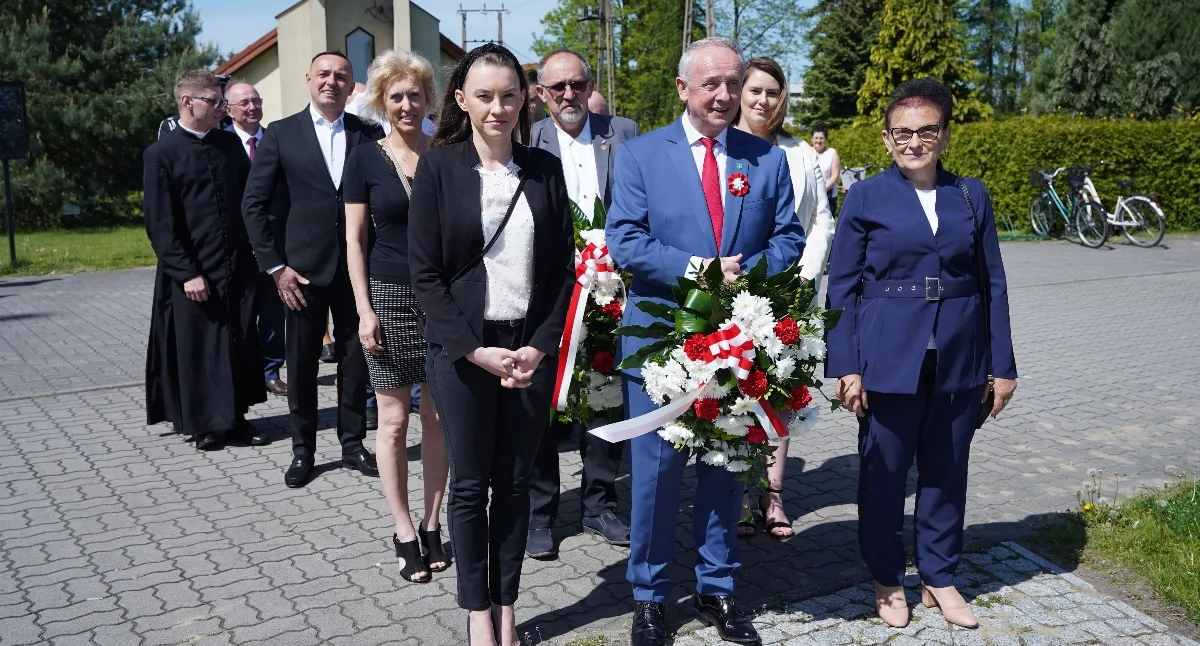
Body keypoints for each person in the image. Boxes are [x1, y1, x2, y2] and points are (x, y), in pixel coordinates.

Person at [606, 38, 804, 646]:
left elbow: (789, 240)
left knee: (726, 470)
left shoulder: (763, 159)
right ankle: (649, 596)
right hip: (662, 342)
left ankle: (719, 588)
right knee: (656, 475)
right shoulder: (640, 154)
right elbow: (626, 241)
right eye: (711, 83)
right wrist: (701, 270)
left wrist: (751, 274)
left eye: (732, 83)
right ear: (683, 88)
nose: (723, 95)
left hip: (739, 345)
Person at [825, 78, 1018, 630]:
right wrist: (845, 364)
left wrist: (1001, 365)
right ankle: (888, 579)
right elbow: (842, 287)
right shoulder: (865, 196)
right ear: (886, 139)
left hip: (960, 353)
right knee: (883, 473)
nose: (914, 142)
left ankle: (939, 576)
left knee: (946, 469)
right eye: (902, 133)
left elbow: (993, 282)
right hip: (889, 356)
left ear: (945, 135)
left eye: (926, 131)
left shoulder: (970, 194)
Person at [408, 43, 574, 646]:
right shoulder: (438, 168)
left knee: (514, 484)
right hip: (463, 351)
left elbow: (562, 270)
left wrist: (538, 345)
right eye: (484, 96)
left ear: (524, 98)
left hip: (527, 349)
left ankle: (507, 601)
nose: (497, 108)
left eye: (508, 95)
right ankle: (477, 610)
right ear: (461, 101)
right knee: (472, 484)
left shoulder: (544, 170)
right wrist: (473, 349)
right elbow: (423, 273)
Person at [241, 51, 386, 488]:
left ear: (350, 85)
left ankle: (353, 443)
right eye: (324, 74)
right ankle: (303, 450)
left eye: (341, 76)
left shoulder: (370, 133)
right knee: (302, 364)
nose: (332, 82)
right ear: (308, 79)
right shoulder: (283, 134)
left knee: (356, 359)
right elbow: (254, 204)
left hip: (357, 269)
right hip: (299, 274)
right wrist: (275, 268)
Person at [526, 48, 639, 559]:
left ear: (589, 84)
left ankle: (600, 504)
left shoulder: (625, 133)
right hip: (546, 293)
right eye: (557, 87)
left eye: (577, 84)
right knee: (543, 402)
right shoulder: (524, 139)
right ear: (541, 93)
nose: (568, 95)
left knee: (603, 392)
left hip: (611, 291)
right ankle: (540, 513)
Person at [343, 49, 450, 584]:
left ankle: (433, 525)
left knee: (437, 418)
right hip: (386, 296)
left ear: (429, 99)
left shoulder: (447, 152)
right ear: (382, 103)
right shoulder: (364, 158)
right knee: (393, 420)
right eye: (396, 96)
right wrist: (363, 309)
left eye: (415, 94)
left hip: (443, 299)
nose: (407, 104)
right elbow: (355, 240)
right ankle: (403, 531)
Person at [730, 56, 833, 541]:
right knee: (735, 393)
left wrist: (804, 275)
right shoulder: (721, 148)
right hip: (735, 293)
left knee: (781, 394)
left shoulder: (801, 155)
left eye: (773, 92)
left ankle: (773, 495)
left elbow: (820, 223)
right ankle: (740, 496)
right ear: (739, 93)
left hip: (792, 291)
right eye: (755, 90)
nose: (763, 100)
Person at [144, 70, 265, 451]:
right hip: (193, 272)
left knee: (239, 341)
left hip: (237, 266)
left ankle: (237, 417)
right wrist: (187, 273)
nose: (221, 109)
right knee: (200, 348)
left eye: (221, 102)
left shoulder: (228, 146)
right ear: (187, 102)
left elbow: (250, 201)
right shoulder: (161, 154)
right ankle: (205, 425)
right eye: (214, 102)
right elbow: (161, 224)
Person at [224, 81, 288, 404]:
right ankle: (243, 370)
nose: (252, 107)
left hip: (275, 243)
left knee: (274, 309)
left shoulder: (276, 141)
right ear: (229, 110)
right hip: (237, 247)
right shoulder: (223, 146)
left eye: (256, 101)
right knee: (243, 313)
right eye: (244, 102)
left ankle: (271, 371)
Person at [811, 122, 840, 217]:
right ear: (812, 139)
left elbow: (835, 175)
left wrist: (822, 189)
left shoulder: (832, 152)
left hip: (828, 196)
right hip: (811, 196)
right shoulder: (808, 153)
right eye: (816, 138)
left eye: (821, 138)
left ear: (825, 139)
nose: (818, 141)